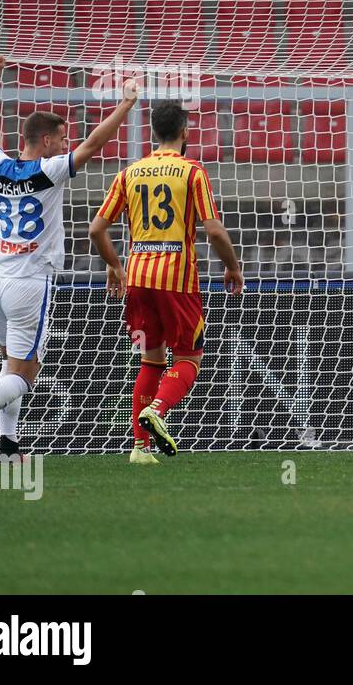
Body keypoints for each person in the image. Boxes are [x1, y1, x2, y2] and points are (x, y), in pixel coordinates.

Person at [0, 56, 139, 460]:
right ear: (46, 141)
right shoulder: (49, 171)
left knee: (9, 367)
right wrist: (126, 104)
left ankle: (8, 446)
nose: (66, 144)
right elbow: (94, 145)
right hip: (31, 282)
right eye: (62, 138)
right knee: (24, 377)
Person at [89, 101, 244, 464]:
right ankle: (158, 409)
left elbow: (96, 228)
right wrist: (233, 267)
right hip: (178, 280)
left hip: (138, 278)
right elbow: (215, 231)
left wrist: (114, 265)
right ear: (185, 132)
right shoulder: (193, 173)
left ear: (153, 133)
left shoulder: (130, 173)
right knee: (189, 356)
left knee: (151, 359)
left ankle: (139, 448)